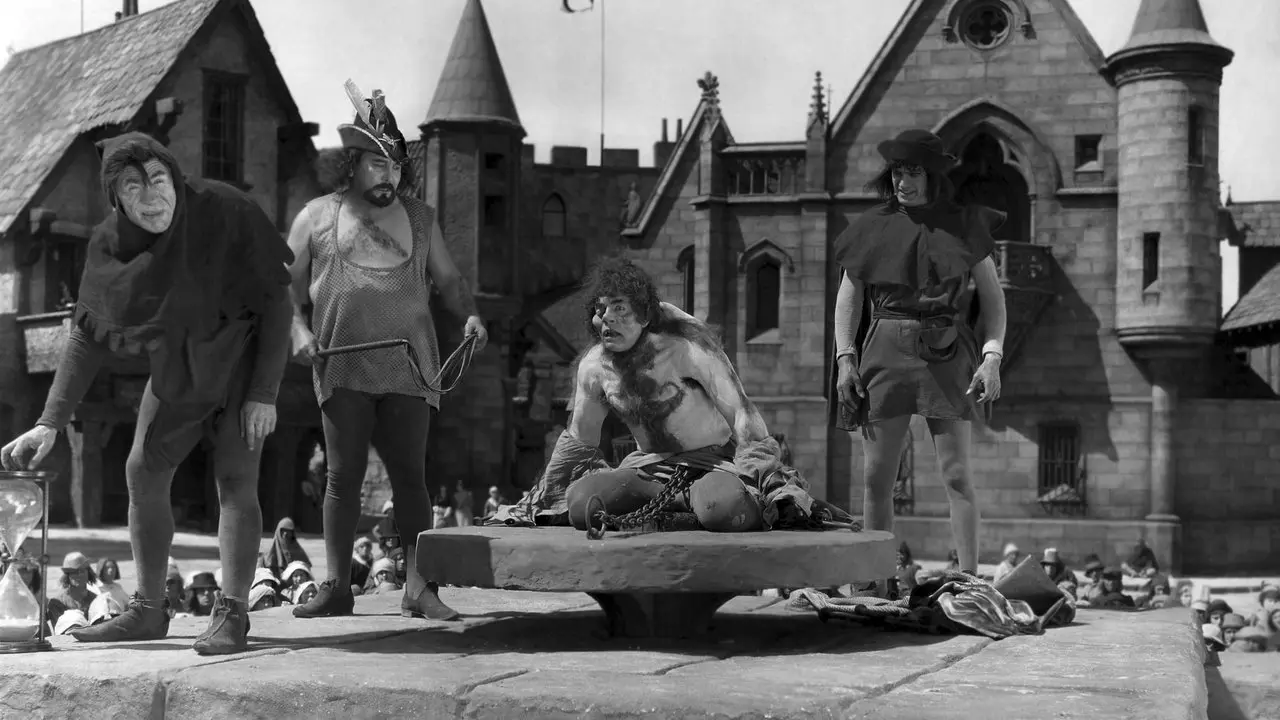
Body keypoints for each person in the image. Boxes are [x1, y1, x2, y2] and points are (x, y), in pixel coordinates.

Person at [0, 132, 294, 655]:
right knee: (142, 469)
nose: (152, 196)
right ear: (116, 198)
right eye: (134, 187)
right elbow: (86, 334)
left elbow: (278, 300)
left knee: (235, 477)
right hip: (179, 367)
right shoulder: (109, 245)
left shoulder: (227, 209)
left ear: (175, 178)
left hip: (243, 360)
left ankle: (232, 613)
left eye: (159, 179)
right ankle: (149, 610)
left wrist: (264, 393)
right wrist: (49, 422)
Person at [286, 84, 487, 622]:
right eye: (377, 164)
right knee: (342, 478)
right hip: (343, 363)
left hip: (410, 365)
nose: (388, 176)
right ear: (351, 164)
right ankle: (336, 586)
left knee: (412, 479)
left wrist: (470, 315)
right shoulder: (316, 217)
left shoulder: (421, 219)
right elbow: (283, 286)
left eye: (395, 166)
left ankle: (419, 588)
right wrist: (296, 329)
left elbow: (450, 281)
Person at [519, 257, 844, 532]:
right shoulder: (594, 367)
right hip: (648, 468)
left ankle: (703, 506)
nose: (607, 319)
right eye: (600, 309)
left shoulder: (686, 348)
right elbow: (581, 439)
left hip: (713, 464)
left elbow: (741, 414)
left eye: (620, 308)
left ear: (645, 315)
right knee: (581, 505)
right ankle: (672, 507)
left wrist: (768, 480)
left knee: (722, 508)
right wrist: (548, 492)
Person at [830, 129, 1007, 590]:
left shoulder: (963, 224)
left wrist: (992, 357)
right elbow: (849, 296)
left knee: (956, 474)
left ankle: (969, 578)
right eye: (897, 172)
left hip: (946, 352)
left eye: (912, 173)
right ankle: (875, 579)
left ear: (931, 176)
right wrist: (845, 358)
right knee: (876, 477)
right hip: (883, 350)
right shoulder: (871, 226)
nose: (902, 182)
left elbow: (993, 300)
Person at [46, 552, 99, 628]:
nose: (79, 575)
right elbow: (60, 630)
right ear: (67, 576)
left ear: (88, 573)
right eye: (74, 572)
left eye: (82, 571)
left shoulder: (96, 600)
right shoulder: (57, 602)